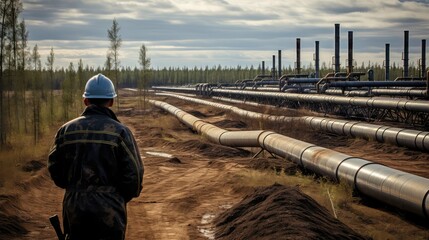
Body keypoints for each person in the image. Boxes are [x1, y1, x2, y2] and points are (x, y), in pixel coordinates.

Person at [48, 73, 144, 240]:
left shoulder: (66, 131)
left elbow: (55, 169)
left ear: (85, 101)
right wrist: (117, 196)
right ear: (111, 102)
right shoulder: (120, 132)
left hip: (74, 207)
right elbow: (134, 175)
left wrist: (74, 188)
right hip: (110, 208)